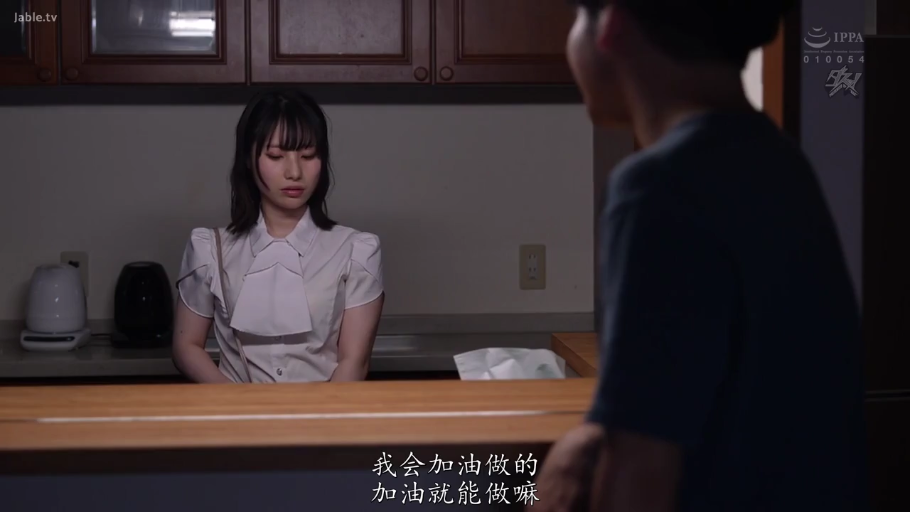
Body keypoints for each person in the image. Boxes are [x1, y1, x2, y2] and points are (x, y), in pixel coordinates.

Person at [532, 1, 868, 511]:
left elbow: (641, 471)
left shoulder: (657, 187)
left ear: (612, 26)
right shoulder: (779, 162)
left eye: (579, 14)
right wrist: (598, 432)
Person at [172, 90, 384, 384]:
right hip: (235, 410)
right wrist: (235, 403)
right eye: (275, 156)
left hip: (326, 410)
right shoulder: (210, 248)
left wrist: (324, 412)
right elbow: (187, 346)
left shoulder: (355, 251)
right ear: (249, 158)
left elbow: (355, 361)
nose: (294, 172)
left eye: (308, 156)